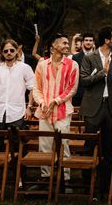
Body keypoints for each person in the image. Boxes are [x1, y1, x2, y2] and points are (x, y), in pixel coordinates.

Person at [80, 26, 112, 194]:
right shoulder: (89, 58)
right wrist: (103, 73)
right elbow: (84, 80)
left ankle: (106, 185)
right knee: (89, 146)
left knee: (108, 148)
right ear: (107, 40)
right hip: (93, 108)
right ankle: (86, 185)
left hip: (111, 107)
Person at [0, 39, 35, 185]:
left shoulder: (24, 68)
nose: (8, 53)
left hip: (17, 112)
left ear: (16, 51)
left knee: (17, 145)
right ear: (1, 52)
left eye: (11, 50)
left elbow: (32, 88)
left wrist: (29, 106)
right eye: (5, 51)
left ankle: (18, 177)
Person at [33, 34, 79, 183]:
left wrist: (56, 101)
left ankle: (65, 180)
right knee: (44, 146)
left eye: (67, 43)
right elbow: (36, 88)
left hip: (63, 111)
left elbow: (72, 89)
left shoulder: (73, 65)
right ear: (53, 45)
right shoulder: (41, 64)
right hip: (44, 111)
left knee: (63, 145)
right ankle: (46, 179)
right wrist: (41, 102)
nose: (67, 45)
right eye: (64, 43)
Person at [72, 32, 95, 106]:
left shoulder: (98, 57)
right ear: (82, 42)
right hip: (79, 94)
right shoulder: (75, 57)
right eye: (86, 40)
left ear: (93, 42)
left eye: (90, 40)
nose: (88, 42)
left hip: (94, 94)